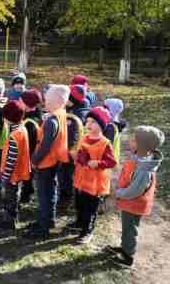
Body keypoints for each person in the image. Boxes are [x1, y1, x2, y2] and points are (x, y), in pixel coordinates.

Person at [108, 126, 165, 268]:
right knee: (128, 226)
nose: (130, 141)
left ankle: (128, 257)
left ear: (143, 145)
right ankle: (125, 247)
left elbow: (135, 190)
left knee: (130, 228)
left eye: (134, 139)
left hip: (134, 202)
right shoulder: (139, 156)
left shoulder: (145, 169)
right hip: (130, 201)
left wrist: (119, 193)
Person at [25, 85, 70, 240]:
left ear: (58, 101)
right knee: (49, 192)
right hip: (55, 160)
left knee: (44, 195)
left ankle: (43, 228)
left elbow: (45, 145)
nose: (45, 103)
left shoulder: (52, 121)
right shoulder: (61, 113)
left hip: (46, 162)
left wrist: (34, 161)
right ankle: (47, 221)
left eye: (48, 100)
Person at [69, 107, 117, 244]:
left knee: (90, 209)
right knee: (79, 204)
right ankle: (79, 223)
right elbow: (79, 154)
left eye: (93, 122)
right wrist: (76, 156)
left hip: (95, 184)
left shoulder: (105, 143)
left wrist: (99, 163)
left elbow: (112, 162)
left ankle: (87, 231)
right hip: (81, 180)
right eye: (87, 121)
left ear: (101, 126)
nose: (88, 124)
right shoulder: (84, 138)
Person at [0, 100, 31, 230]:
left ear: (8, 119)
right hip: (19, 173)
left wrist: (5, 176)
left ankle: (9, 221)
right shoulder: (22, 128)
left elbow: (11, 159)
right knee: (15, 195)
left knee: (9, 198)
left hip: (12, 174)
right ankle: (14, 218)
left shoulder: (14, 135)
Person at [21, 89, 43, 203]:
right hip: (32, 152)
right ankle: (28, 190)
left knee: (28, 175)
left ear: (27, 104)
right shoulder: (36, 114)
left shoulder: (30, 122)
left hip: (30, 153)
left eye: (22, 101)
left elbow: (29, 141)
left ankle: (26, 194)